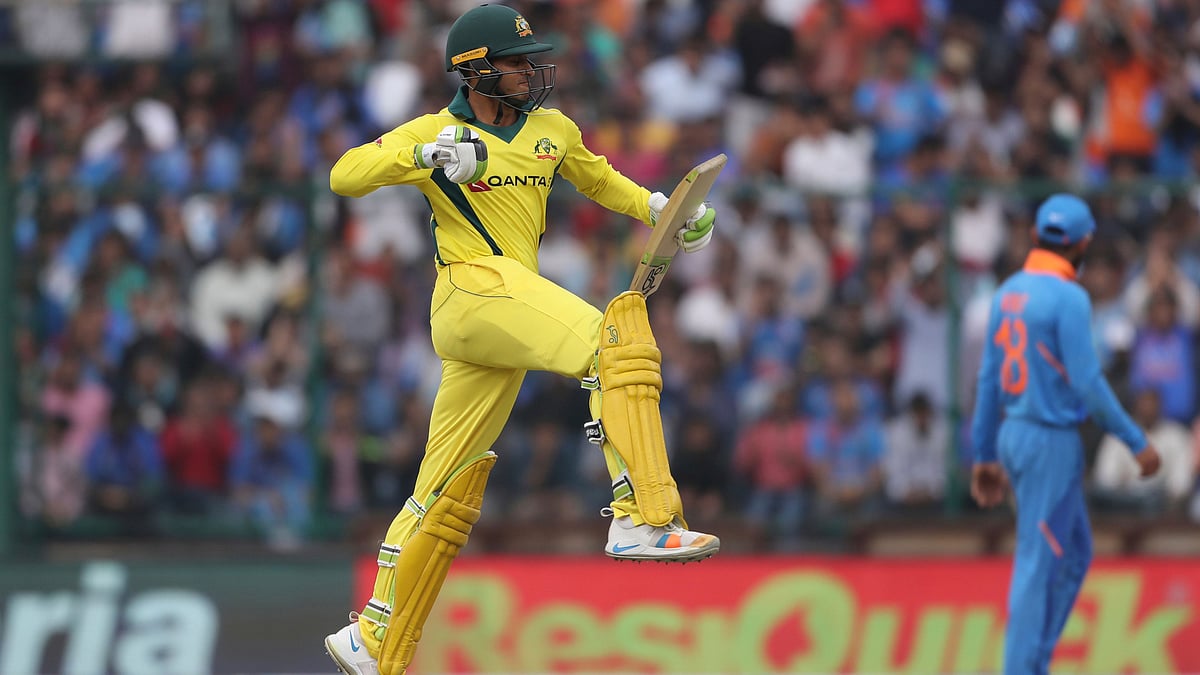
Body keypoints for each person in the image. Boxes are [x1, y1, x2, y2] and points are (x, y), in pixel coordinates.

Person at [322, 5, 719, 675]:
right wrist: (425, 154)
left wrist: (659, 207)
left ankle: (373, 635)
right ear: (475, 70)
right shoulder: (437, 131)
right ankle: (639, 514)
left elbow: (598, 177)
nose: (531, 73)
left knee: (443, 491)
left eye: (531, 61)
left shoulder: (551, 130)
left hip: (505, 310)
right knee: (614, 337)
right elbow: (345, 175)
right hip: (470, 290)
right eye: (514, 63)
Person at [970, 193, 1162, 675]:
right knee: (1036, 568)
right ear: (1084, 244)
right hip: (1049, 440)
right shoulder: (1070, 297)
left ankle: (1036, 661)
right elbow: (1089, 384)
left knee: (1075, 554)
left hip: (1016, 432)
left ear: (1036, 237)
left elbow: (989, 381)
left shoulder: (1007, 291)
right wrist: (1136, 440)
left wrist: (984, 455)